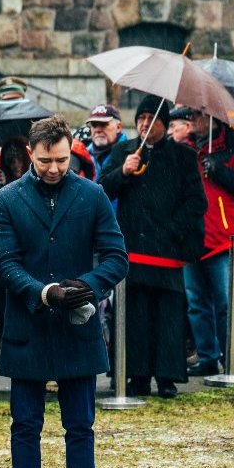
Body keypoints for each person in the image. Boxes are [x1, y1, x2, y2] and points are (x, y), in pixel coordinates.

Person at [0, 115, 127, 468]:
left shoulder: (92, 194)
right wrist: (45, 292)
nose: (54, 168)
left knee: (81, 426)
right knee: (25, 427)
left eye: (63, 160)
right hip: (28, 326)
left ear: (72, 152)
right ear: (30, 153)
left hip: (77, 326)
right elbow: (5, 264)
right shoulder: (6, 200)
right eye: (47, 160)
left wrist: (84, 287)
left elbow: (116, 257)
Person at [101, 97, 205, 398]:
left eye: (152, 118)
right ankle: (137, 375)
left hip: (167, 251)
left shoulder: (183, 156)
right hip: (133, 248)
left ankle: (167, 376)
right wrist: (123, 170)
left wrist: (173, 230)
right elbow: (102, 187)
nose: (146, 124)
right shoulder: (123, 151)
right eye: (142, 118)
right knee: (135, 313)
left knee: (168, 315)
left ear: (164, 122)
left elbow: (197, 202)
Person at [183, 109, 234, 376]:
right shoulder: (186, 147)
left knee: (225, 303)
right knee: (196, 302)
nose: (191, 119)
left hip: (222, 238)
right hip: (192, 237)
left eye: (197, 115)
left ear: (213, 118)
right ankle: (207, 358)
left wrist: (220, 172)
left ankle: (231, 361)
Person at [84, 104, 125, 173]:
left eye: (103, 124)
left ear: (118, 127)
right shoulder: (83, 155)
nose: (97, 130)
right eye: (94, 125)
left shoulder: (130, 154)